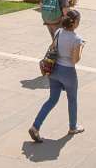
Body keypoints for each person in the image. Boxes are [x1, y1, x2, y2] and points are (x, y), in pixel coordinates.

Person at [29, 9, 85, 141]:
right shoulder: (77, 39)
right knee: (72, 99)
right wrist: (81, 46)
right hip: (68, 72)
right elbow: (75, 60)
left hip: (54, 71)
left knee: (52, 100)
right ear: (75, 23)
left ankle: (35, 126)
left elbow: (53, 47)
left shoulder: (58, 32)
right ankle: (73, 127)